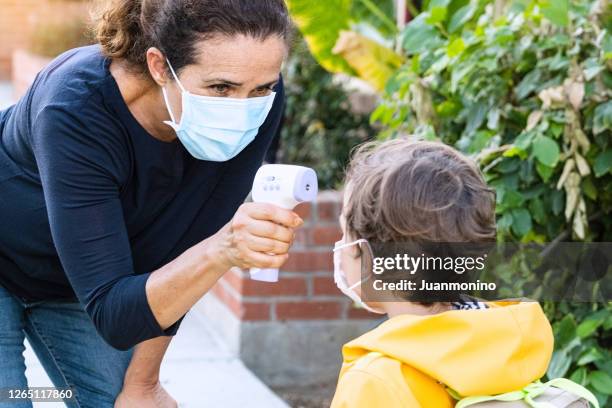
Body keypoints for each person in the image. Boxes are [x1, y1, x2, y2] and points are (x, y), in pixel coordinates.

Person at [0, 0, 300, 407]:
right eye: (220, 88)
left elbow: (187, 247)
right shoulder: (73, 106)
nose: (243, 106)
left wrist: (144, 384)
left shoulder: (256, 98)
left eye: (262, 87)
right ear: (160, 66)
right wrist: (224, 249)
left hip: (80, 283)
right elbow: (116, 311)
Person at [330, 139, 554, 407]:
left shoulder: (376, 382)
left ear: (366, 255)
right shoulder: (511, 347)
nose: (341, 245)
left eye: (346, 232)